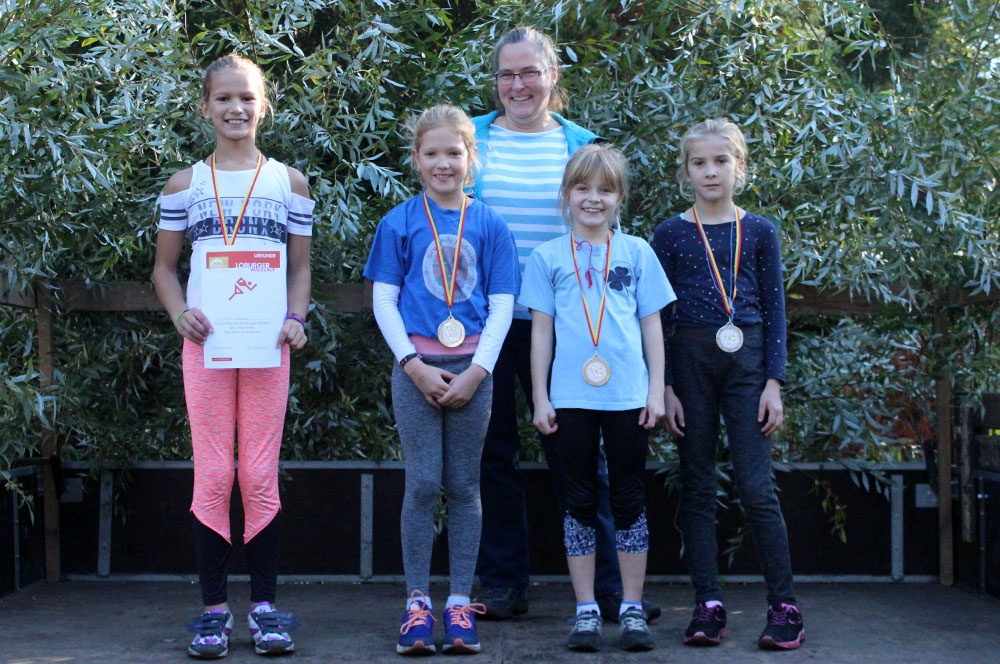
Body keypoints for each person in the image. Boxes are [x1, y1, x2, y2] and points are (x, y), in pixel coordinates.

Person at [470, 24, 661, 624]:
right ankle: (504, 582)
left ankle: (611, 589)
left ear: (552, 76)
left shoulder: (583, 144)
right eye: (507, 73)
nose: (518, 84)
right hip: (486, 322)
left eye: (530, 72)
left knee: (578, 456)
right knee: (494, 453)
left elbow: (610, 236)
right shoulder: (470, 141)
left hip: (572, 327)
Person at [151, 53, 312, 658]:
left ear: (263, 105)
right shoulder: (184, 184)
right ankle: (214, 611)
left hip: (268, 348)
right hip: (207, 347)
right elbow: (164, 269)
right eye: (223, 98)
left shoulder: (290, 183)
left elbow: (300, 268)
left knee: (259, 474)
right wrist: (179, 315)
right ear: (205, 107)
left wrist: (296, 318)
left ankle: (265, 610)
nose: (236, 108)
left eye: (247, 97)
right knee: (215, 473)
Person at [363, 103, 520, 656]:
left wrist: (478, 371)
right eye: (432, 153)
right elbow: (383, 299)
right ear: (416, 158)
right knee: (424, 483)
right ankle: (416, 605)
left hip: (473, 370)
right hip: (416, 370)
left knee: (465, 485)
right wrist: (412, 365)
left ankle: (457, 603)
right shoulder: (399, 222)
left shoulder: (490, 224)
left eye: (454, 152)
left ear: (471, 157)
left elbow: (503, 304)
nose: (443, 163)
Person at [650, 118, 805, 650]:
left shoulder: (759, 231)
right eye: (699, 163)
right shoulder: (670, 234)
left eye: (721, 161)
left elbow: (777, 310)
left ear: (740, 167)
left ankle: (784, 606)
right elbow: (658, 318)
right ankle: (708, 604)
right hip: (690, 362)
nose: (710, 171)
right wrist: (666, 386)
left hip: (749, 365)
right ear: (686, 171)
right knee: (696, 486)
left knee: (756, 488)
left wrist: (774, 382)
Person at [519, 143, 674, 652]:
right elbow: (541, 333)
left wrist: (655, 389)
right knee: (579, 501)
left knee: (629, 499)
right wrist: (540, 397)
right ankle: (585, 608)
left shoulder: (637, 252)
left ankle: (631, 608)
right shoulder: (547, 257)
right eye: (582, 188)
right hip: (570, 398)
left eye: (605, 190)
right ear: (566, 195)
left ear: (619, 198)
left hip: (628, 396)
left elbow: (652, 327)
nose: (593, 198)